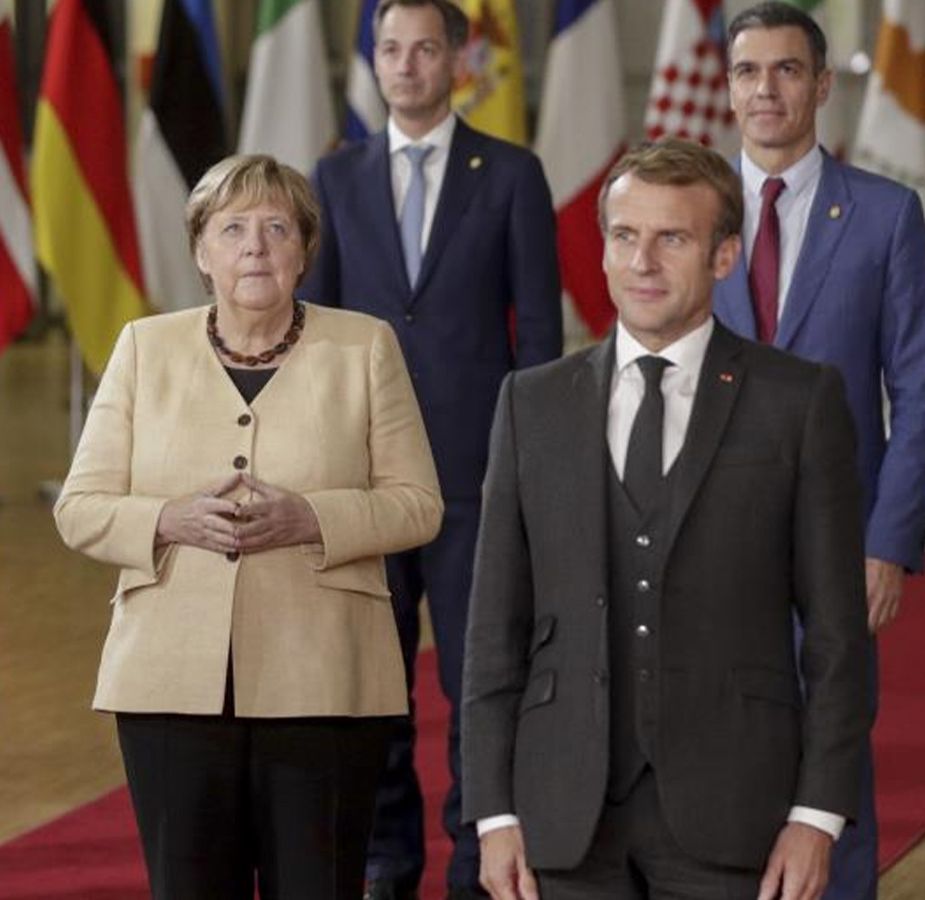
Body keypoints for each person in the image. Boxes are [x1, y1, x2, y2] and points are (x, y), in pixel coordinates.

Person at [463, 138, 871, 900]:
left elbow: (838, 637)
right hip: (563, 814)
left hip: (737, 809)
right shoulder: (530, 403)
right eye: (625, 236)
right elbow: (493, 630)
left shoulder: (799, 401)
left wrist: (816, 815)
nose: (642, 261)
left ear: (725, 256)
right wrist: (494, 812)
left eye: (672, 238)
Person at [54, 153, 444, 900]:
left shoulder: (364, 346)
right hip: (169, 688)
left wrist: (311, 518)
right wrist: (168, 519)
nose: (255, 247)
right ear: (202, 252)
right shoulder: (143, 347)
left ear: (305, 249)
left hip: (326, 681)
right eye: (232, 229)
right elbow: (79, 508)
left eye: (276, 228)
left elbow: (418, 503)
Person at [301, 1, 561, 896]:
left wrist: (531, 468)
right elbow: (318, 333)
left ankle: (478, 858)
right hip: (366, 480)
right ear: (373, 61)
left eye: (423, 49)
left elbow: (539, 340)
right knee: (375, 685)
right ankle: (385, 857)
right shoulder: (334, 177)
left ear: (457, 58)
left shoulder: (513, 173)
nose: (405, 65)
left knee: (477, 680)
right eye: (389, 49)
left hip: (474, 481)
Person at [716, 7, 925, 895]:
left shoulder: (886, 214)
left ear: (823, 85)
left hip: (837, 542)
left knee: (831, 755)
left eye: (787, 69)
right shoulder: (688, 211)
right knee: (714, 758)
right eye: (748, 71)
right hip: (703, 541)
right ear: (728, 88)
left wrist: (889, 543)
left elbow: (919, 389)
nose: (766, 88)